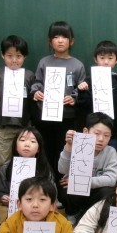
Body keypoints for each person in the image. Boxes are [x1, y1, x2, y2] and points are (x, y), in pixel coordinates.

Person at [31, 21, 87, 179]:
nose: (60, 40)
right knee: (46, 152)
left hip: (67, 117)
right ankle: (47, 183)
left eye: (64, 37)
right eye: (56, 37)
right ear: (50, 41)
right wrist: (36, 92)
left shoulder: (77, 65)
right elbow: (37, 82)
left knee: (63, 152)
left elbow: (81, 88)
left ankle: (61, 186)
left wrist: (74, 98)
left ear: (71, 41)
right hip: (45, 116)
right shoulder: (44, 62)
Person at [57, 112, 117, 225]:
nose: (101, 139)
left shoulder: (110, 152)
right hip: (76, 192)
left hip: (95, 191)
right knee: (66, 188)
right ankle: (72, 212)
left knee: (108, 191)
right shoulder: (76, 146)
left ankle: (90, 214)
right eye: (97, 133)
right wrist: (68, 146)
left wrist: (83, 181)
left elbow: (111, 179)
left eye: (106, 135)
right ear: (86, 131)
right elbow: (62, 170)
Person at [0, 35, 36, 165]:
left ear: (25, 56)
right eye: (9, 56)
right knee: (4, 161)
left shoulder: (29, 75)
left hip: (24, 126)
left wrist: (32, 125)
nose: (14, 60)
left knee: (25, 161)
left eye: (18, 56)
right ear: (2, 55)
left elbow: (32, 103)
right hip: (4, 126)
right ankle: (5, 179)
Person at [77, 40, 117, 146]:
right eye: (102, 58)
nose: (106, 62)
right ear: (96, 59)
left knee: (109, 154)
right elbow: (83, 106)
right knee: (89, 155)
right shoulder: (88, 80)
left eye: (110, 58)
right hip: (92, 130)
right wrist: (82, 91)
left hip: (111, 131)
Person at [0, 126, 53, 207]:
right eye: (22, 140)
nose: (27, 144)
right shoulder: (6, 167)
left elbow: (52, 193)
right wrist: (3, 198)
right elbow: (1, 191)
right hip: (16, 209)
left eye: (32, 141)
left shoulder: (44, 168)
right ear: (16, 146)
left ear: (39, 149)